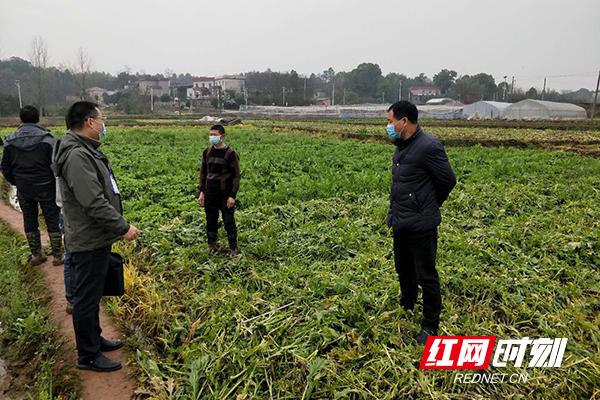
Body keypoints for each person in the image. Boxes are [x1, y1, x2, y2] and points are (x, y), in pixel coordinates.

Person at [52, 101, 139, 372]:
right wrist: (122, 227)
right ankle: (88, 355)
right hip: (88, 238)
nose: (103, 125)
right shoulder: (77, 155)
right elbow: (93, 202)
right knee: (86, 298)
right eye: (101, 119)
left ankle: (95, 339)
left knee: (92, 295)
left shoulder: (84, 150)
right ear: (89, 122)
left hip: (94, 237)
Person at [385, 101, 456, 345]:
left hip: (421, 224)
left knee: (426, 275)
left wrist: (428, 205)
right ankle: (407, 302)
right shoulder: (401, 146)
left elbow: (448, 180)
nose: (388, 126)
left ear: (403, 121)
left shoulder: (429, 146)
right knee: (403, 267)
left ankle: (430, 325)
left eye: (390, 121)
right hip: (401, 220)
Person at [1, 106, 63, 265]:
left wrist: (16, 181)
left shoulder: (10, 141)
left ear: (20, 119)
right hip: (47, 186)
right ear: (37, 119)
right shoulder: (48, 140)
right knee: (52, 218)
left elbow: (5, 168)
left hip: (24, 187)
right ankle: (57, 256)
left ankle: (36, 254)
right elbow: (56, 165)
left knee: (29, 219)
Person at [197, 124, 240, 257]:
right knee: (211, 220)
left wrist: (232, 195)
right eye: (211, 135)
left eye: (214, 135)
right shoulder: (207, 152)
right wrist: (202, 191)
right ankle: (212, 245)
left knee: (228, 221)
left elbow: (236, 176)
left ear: (222, 136)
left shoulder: (230, 154)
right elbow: (203, 173)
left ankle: (233, 248)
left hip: (225, 193)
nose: (212, 137)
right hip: (210, 192)